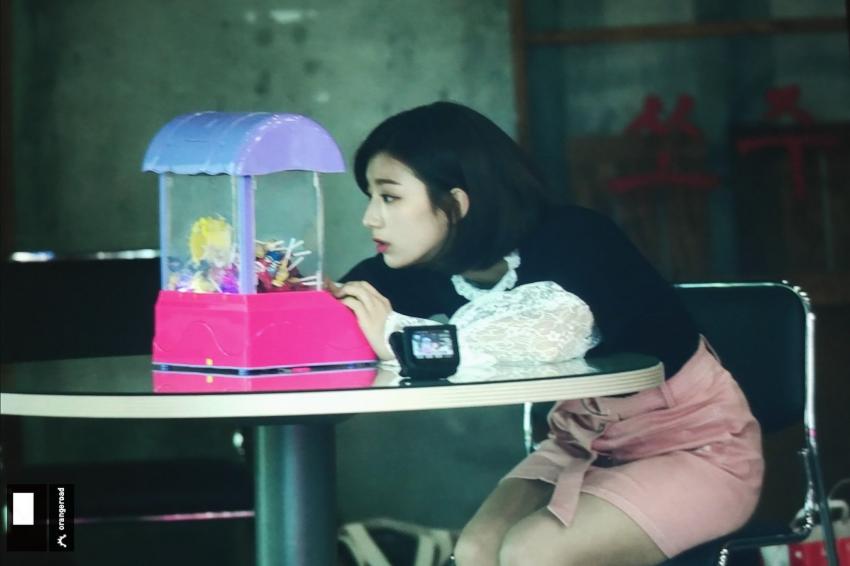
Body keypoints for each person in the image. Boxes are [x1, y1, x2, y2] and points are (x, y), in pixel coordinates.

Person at [331, 101, 763, 566]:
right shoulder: (422, 265)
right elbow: (333, 311)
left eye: (389, 197)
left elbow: (530, 338)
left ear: (456, 203)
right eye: (371, 197)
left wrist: (393, 336)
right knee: (475, 551)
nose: (370, 218)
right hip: (580, 444)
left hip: (693, 447)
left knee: (531, 553)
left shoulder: (576, 241)